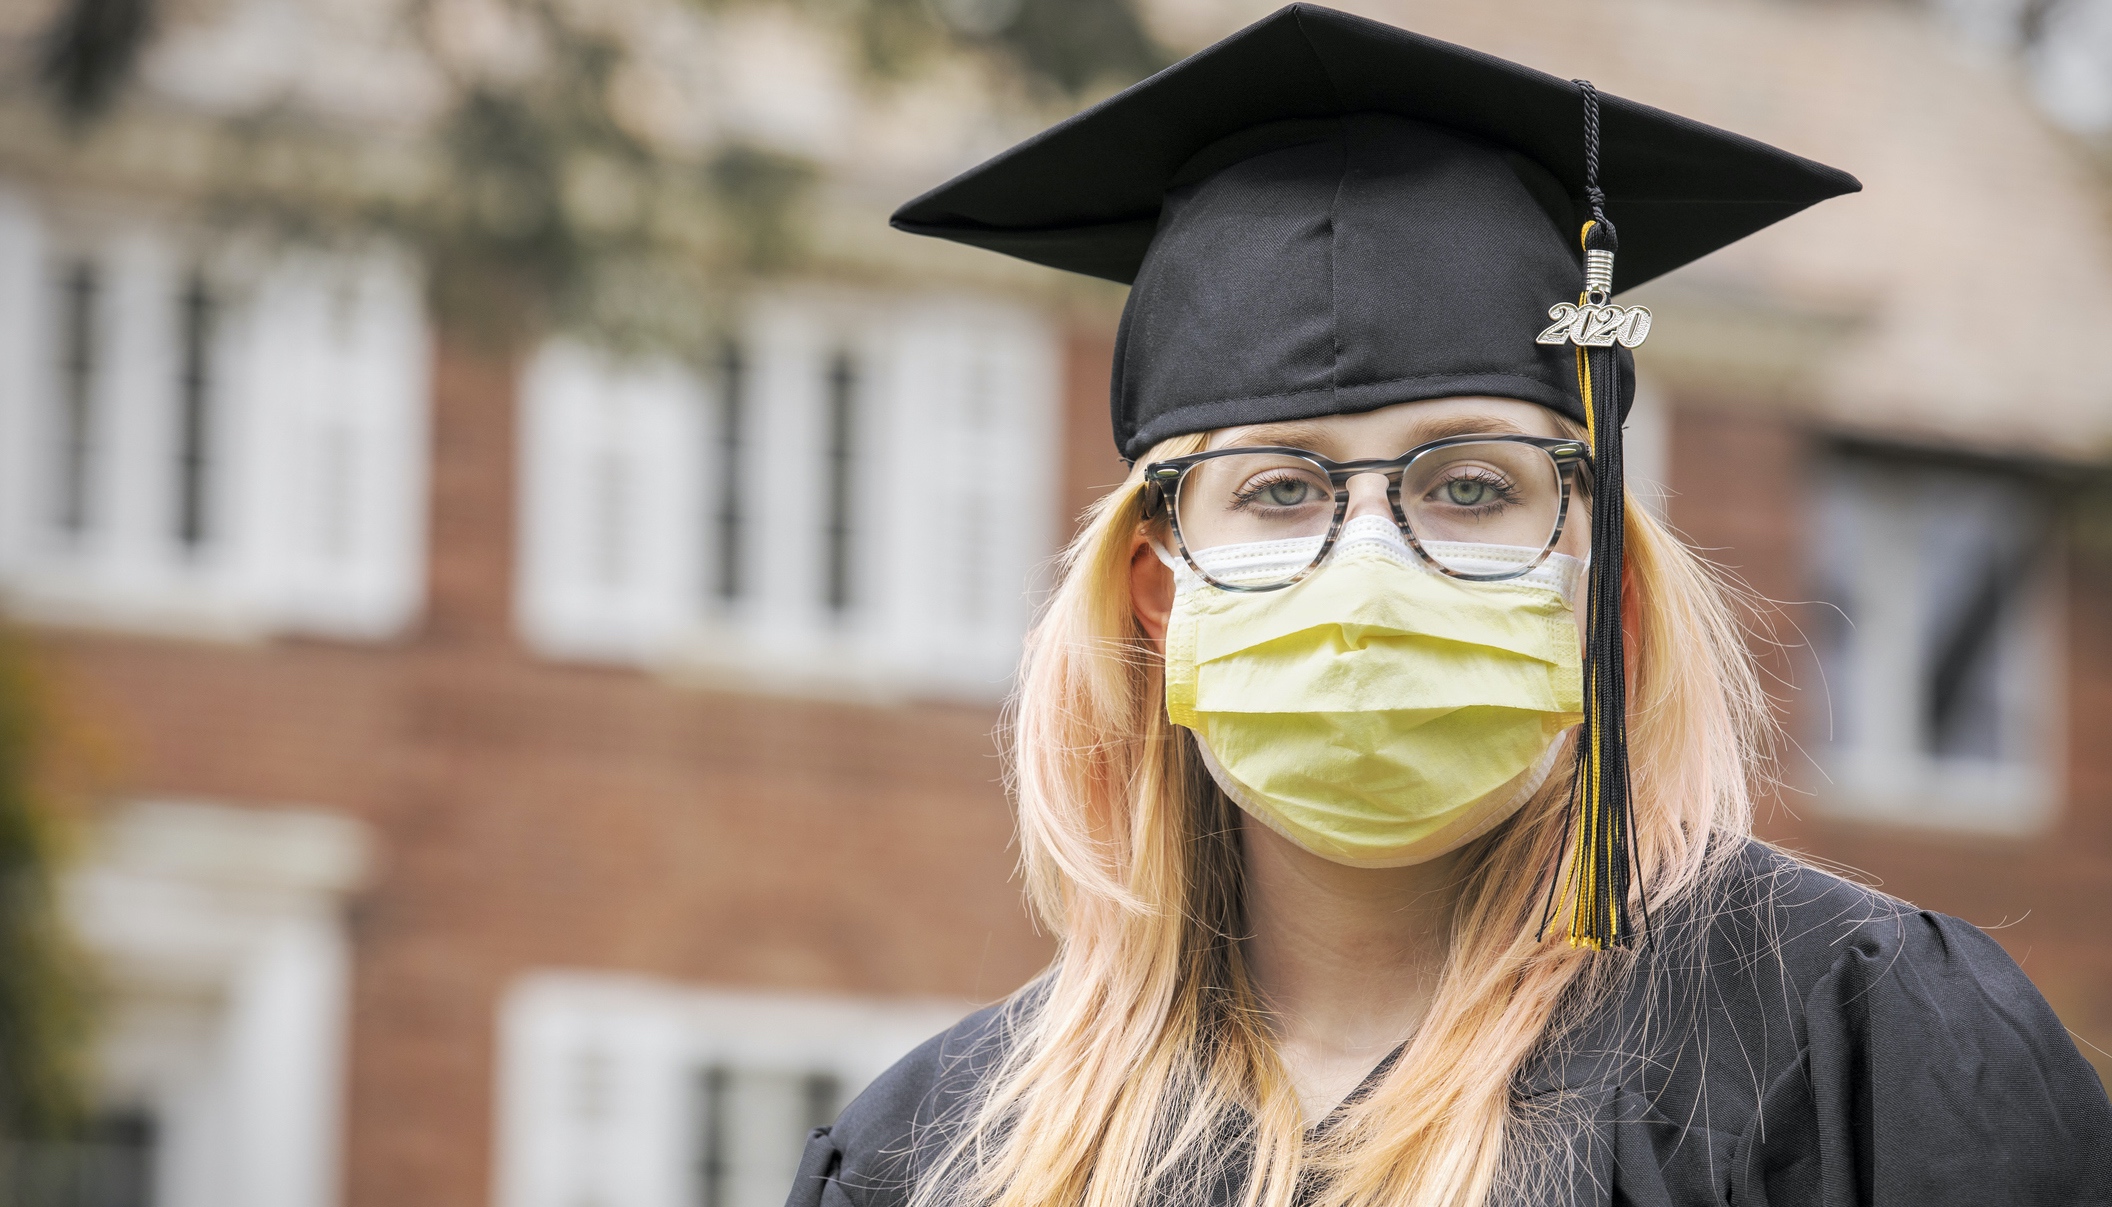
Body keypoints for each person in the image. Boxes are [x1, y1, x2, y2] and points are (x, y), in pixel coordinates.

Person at [789, 6, 2112, 1205]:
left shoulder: (1850, 1054)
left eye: (1473, 486)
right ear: (1157, 595)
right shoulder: (940, 1151)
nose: (1371, 564)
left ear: (1602, 583)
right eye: (1279, 490)